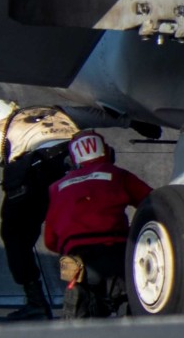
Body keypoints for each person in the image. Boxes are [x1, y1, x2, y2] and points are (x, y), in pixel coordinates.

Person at [0, 98, 79, 320]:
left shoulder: (0, 132)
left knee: (15, 236)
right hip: (78, 165)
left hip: (39, 174)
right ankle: (89, 292)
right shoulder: (52, 110)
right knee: (79, 232)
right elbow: (94, 114)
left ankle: (36, 302)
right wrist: (128, 121)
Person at [42, 131, 151, 319]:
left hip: (73, 253)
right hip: (113, 248)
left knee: (77, 282)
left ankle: (76, 291)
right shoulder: (117, 174)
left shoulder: (56, 187)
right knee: (125, 295)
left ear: (72, 160)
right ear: (108, 153)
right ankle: (126, 306)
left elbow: (50, 240)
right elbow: (152, 201)